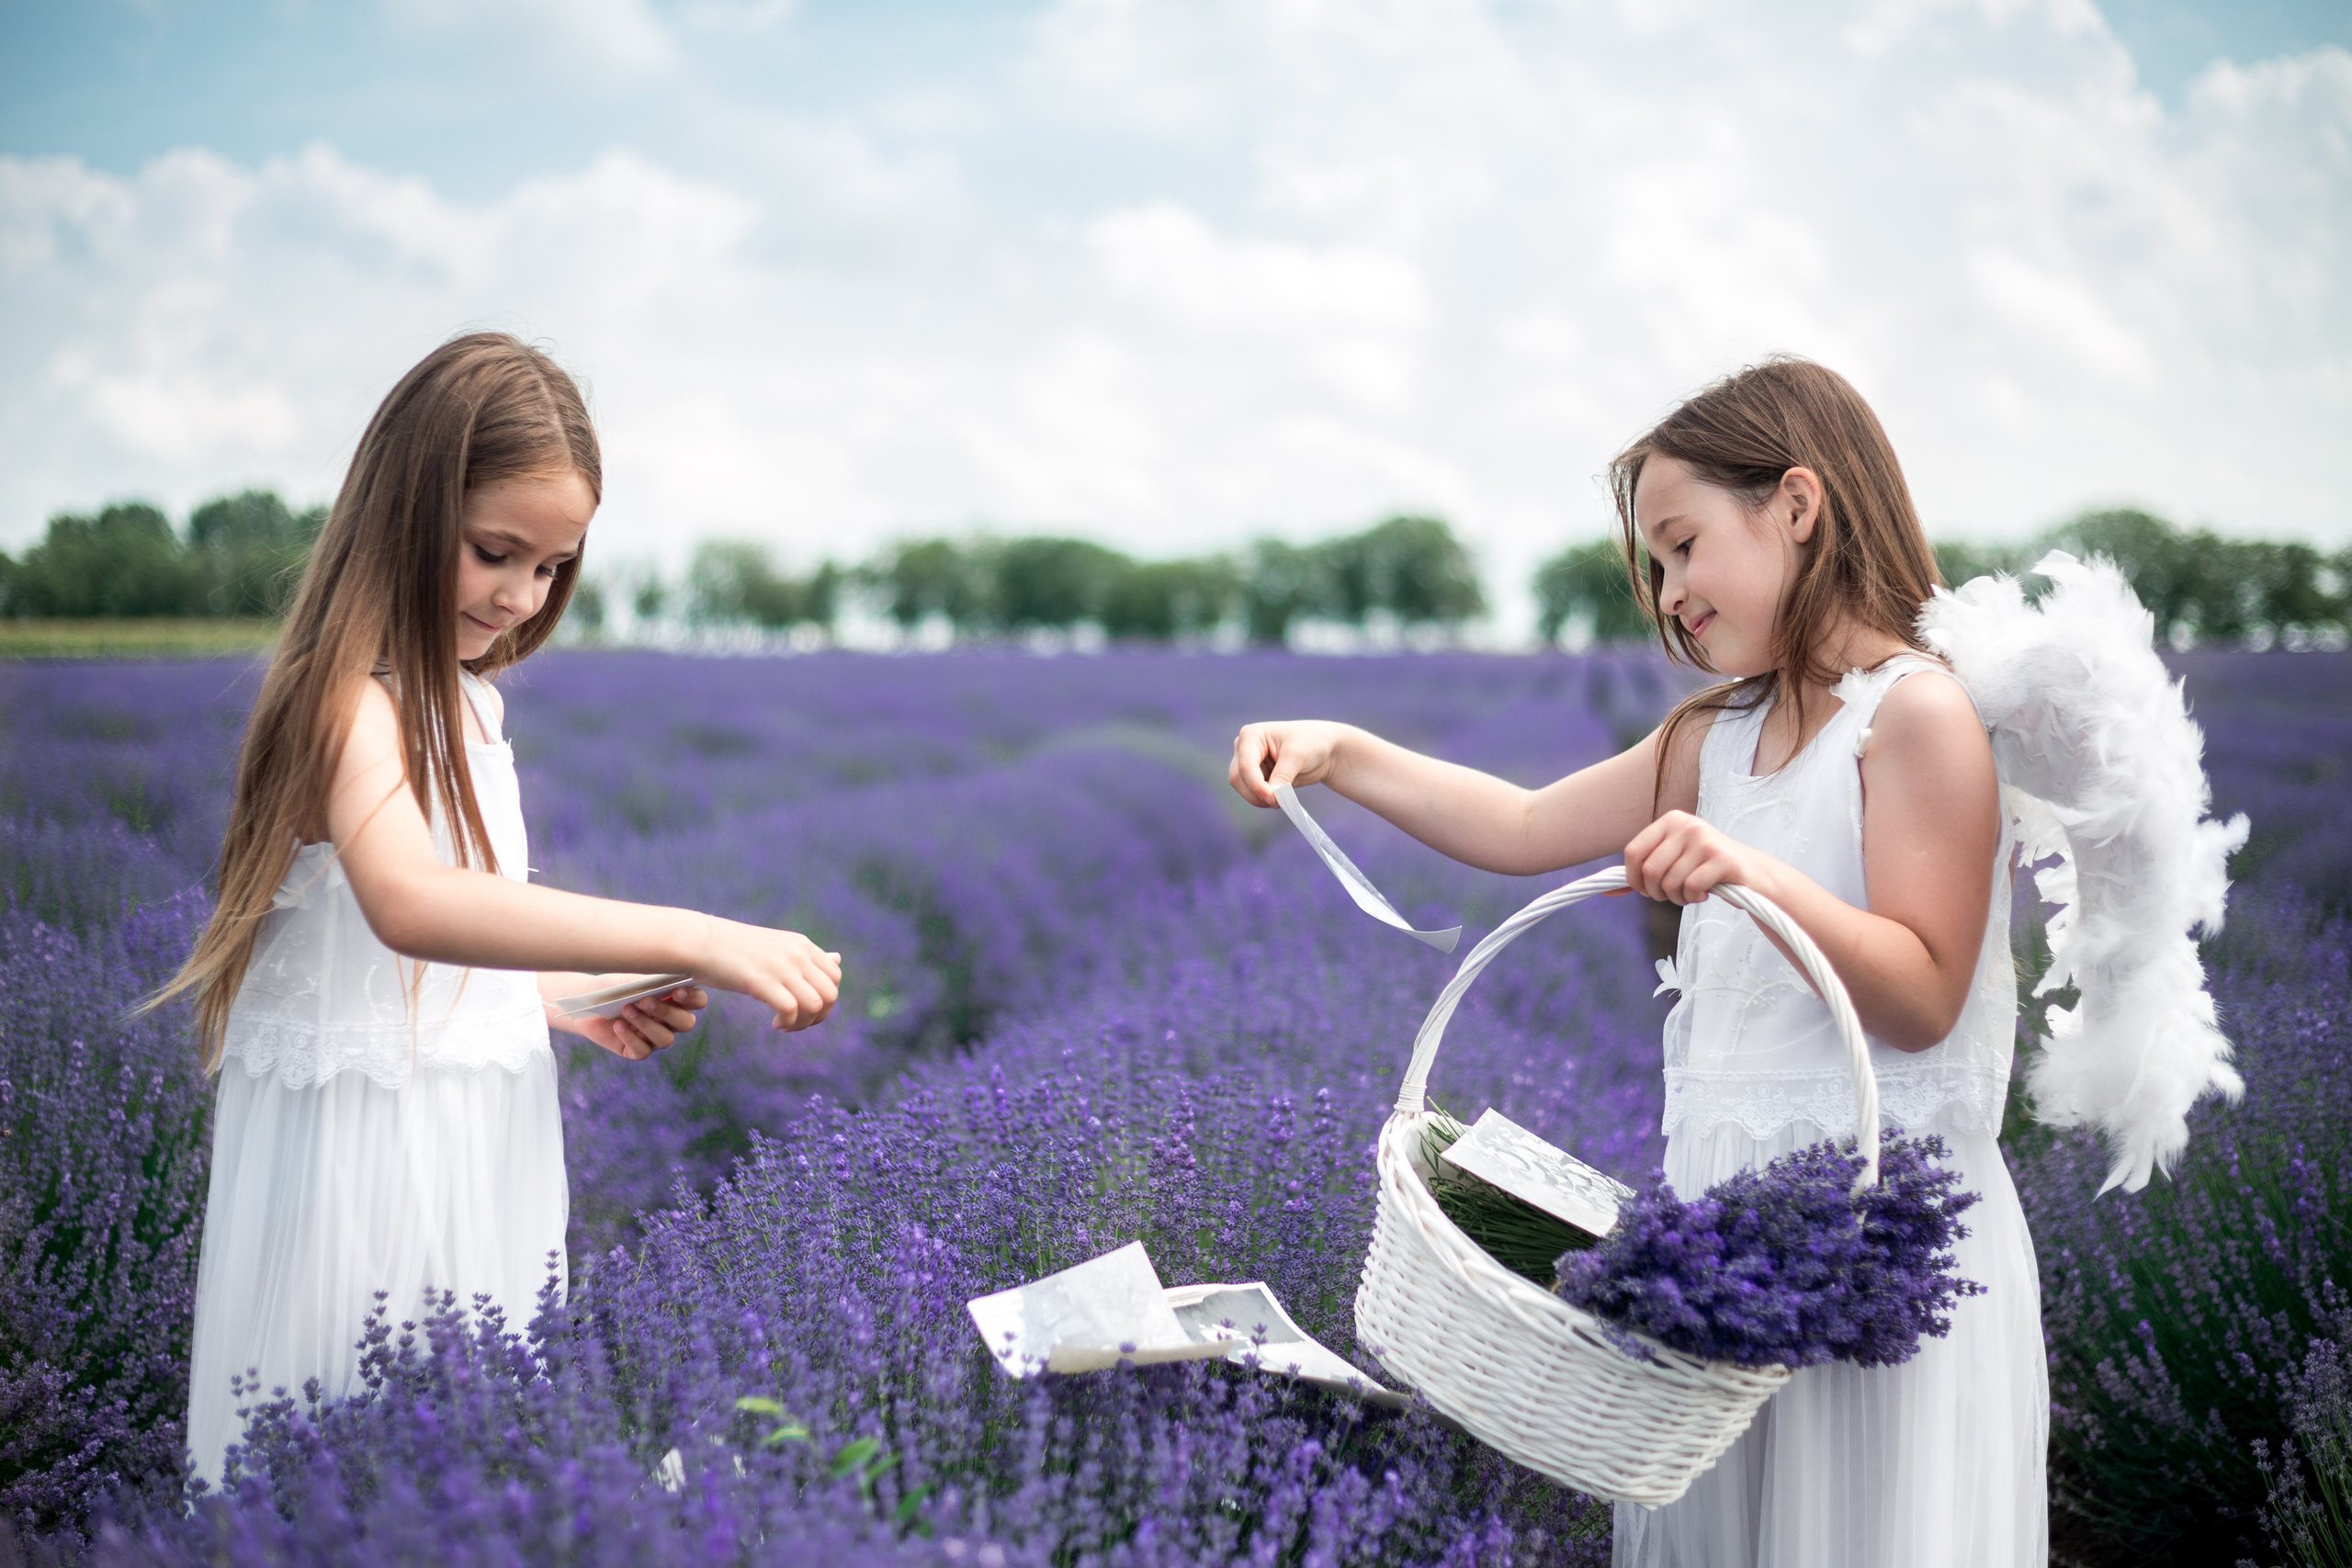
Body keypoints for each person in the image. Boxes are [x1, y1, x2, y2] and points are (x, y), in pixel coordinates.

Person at [1228, 357, 2047, 1566]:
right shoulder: (1714, 733)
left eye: (1682, 543)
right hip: (1719, 1257)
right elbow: (1516, 826)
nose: (1668, 593)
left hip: (1871, 1261)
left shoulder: (1914, 713)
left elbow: (1926, 990)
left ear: (1799, 506)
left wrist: (1754, 874)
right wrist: (1339, 748)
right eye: (1655, 564)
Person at [157, 333, 842, 1488]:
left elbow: (434, 949)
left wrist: (562, 1000)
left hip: (472, 1135)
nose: (520, 595)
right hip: (371, 1165)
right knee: (351, 1462)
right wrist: (697, 934)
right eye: (494, 552)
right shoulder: (348, 701)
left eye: (551, 568)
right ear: (404, 512)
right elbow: (411, 905)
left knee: (462, 1469)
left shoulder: (465, 708)